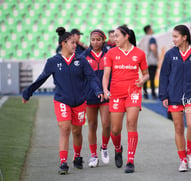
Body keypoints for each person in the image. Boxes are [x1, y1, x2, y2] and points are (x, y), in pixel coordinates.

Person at [22, 27, 103, 175]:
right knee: (65, 128)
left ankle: (77, 157)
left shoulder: (81, 60)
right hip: (62, 101)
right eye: (72, 43)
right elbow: (41, 79)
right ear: (63, 44)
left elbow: (92, 78)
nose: (75, 45)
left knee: (77, 131)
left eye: (75, 43)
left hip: (80, 101)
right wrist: (28, 92)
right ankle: (63, 162)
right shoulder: (53, 61)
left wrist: (98, 91)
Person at [159, 25, 191, 172]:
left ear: (184, 37)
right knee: (179, 128)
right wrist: (163, 95)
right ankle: (182, 160)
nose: (173, 40)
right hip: (174, 96)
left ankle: (190, 153)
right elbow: (164, 76)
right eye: (173, 37)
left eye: (176, 37)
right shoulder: (170, 54)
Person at [103, 25, 149, 173]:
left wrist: (143, 81)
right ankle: (118, 149)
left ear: (126, 36)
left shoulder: (139, 53)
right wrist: (105, 89)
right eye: (113, 36)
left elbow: (146, 73)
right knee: (115, 130)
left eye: (117, 36)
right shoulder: (110, 53)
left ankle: (130, 160)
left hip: (133, 93)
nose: (114, 39)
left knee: (131, 123)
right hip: (116, 94)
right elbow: (106, 75)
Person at [80, 29, 111, 168]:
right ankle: (93, 156)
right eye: (93, 39)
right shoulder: (83, 56)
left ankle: (104, 147)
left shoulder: (109, 54)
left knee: (107, 124)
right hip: (90, 95)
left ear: (103, 40)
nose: (95, 42)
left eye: (98, 39)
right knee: (92, 125)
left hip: (106, 94)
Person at [138, 25, 159, 99]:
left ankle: (145, 93)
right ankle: (153, 94)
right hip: (151, 61)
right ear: (149, 30)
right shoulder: (151, 38)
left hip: (143, 61)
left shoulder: (141, 39)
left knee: (145, 77)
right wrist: (157, 56)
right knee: (152, 78)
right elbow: (153, 47)